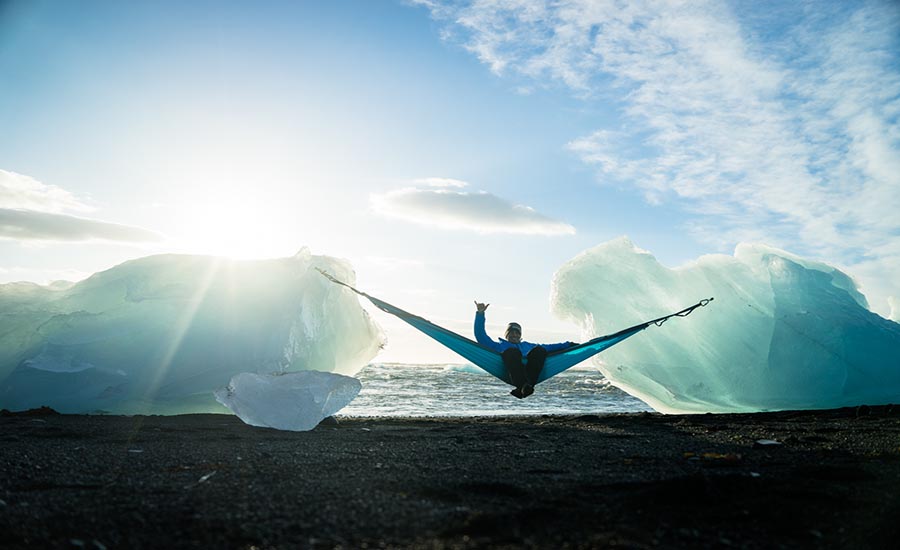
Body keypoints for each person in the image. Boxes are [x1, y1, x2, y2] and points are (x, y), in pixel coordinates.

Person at [474, 301, 577, 399]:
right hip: (511, 373)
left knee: (540, 350)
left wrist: (569, 344)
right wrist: (480, 314)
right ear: (507, 335)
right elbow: (481, 336)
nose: (514, 335)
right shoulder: (498, 346)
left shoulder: (528, 346)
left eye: (517, 333)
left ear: (520, 335)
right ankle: (522, 385)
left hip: (531, 375)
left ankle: (526, 387)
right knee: (511, 352)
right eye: (511, 332)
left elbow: (549, 347)